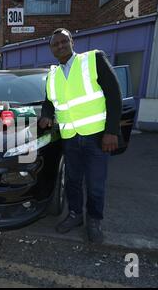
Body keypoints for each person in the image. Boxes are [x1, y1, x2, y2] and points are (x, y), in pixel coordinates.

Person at [39, 28, 122, 243]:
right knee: (73, 181)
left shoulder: (93, 59)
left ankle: (94, 220)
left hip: (96, 136)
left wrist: (112, 131)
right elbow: (49, 101)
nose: (60, 46)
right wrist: (46, 115)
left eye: (63, 41)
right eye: (55, 44)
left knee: (95, 183)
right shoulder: (52, 75)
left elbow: (114, 94)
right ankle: (75, 215)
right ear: (51, 49)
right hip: (70, 138)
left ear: (72, 42)